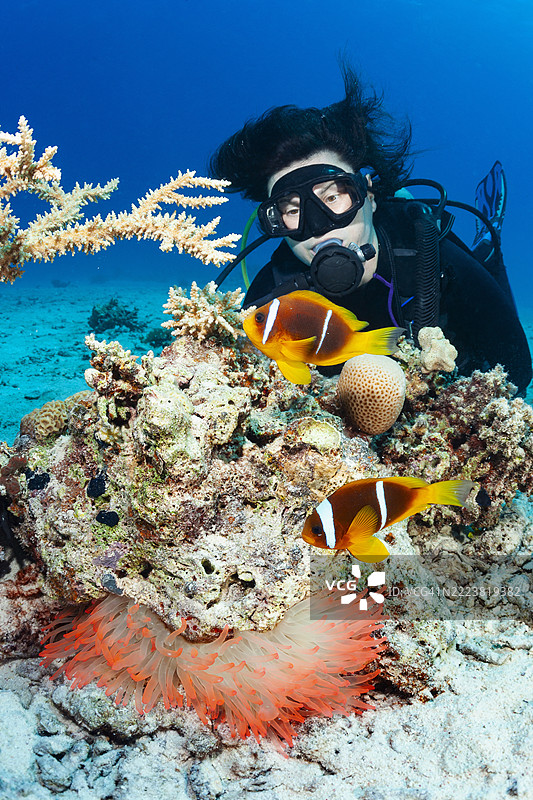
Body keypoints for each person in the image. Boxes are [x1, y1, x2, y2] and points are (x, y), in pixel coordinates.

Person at [209, 65, 532, 395]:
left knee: (484, 272)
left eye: (333, 196)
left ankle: (488, 248)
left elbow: (518, 372)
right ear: (274, 222)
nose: (318, 227)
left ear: (368, 194)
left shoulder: (427, 253)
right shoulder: (271, 296)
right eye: (292, 210)